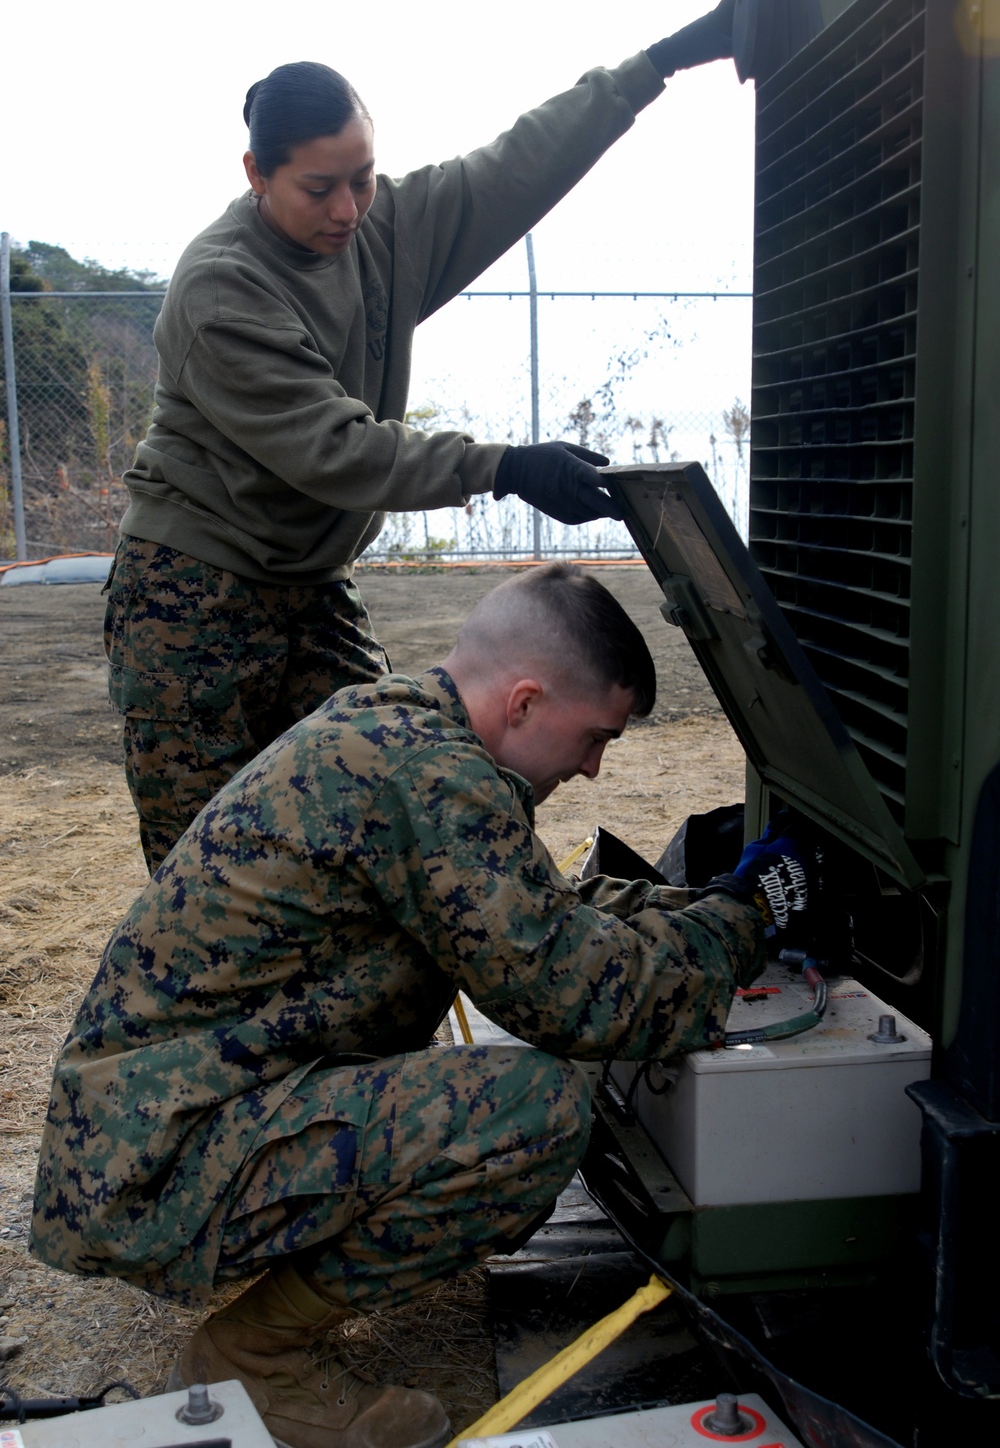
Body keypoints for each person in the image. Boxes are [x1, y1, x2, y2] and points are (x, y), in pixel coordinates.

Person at [34, 564, 818, 1448]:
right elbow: (573, 996)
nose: (595, 769)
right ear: (523, 702)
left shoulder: (402, 736)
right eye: (596, 736)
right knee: (532, 1111)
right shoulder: (434, 778)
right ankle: (253, 1356)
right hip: (154, 1164)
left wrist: (703, 908)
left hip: (157, 1127)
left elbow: (543, 912)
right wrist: (748, 920)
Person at [103, 0, 740, 873]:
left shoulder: (382, 225)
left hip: (311, 581)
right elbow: (338, 450)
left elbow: (514, 166)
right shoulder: (222, 288)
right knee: (209, 861)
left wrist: (660, 61)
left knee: (397, 784)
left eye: (362, 176)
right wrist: (504, 465)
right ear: (255, 173)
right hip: (193, 589)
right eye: (318, 187)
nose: (348, 208)